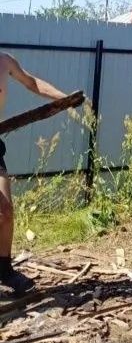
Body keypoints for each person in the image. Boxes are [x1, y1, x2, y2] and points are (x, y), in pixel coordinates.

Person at [0, 52, 68, 294]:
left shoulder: (5, 61)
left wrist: (64, 99)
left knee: (5, 212)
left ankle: (4, 270)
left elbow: (32, 82)